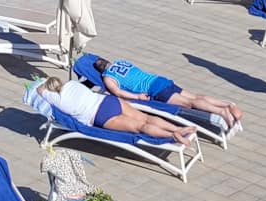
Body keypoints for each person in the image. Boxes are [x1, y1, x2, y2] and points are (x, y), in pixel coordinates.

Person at [34, 75, 195, 147]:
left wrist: (44, 87)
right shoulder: (72, 84)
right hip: (108, 101)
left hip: (100, 115)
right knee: (145, 117)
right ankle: (178, 129)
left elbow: (39, 90)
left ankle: (171, 135)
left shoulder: (57, 99)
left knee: (140, 127)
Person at [92, 57, 242, 129]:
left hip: (155, 90)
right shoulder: (120, 62)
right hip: (159, 80)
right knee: (194, 96)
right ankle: (226, 105)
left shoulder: (108, 77)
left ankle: (221, 112)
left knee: (188, 104)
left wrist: (137, 96)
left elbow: (118, 92)